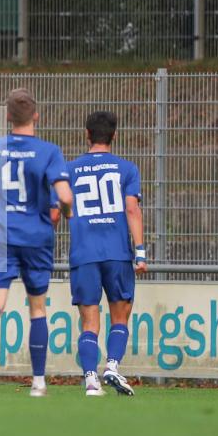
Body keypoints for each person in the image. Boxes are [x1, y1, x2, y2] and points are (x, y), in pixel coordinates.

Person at [0, 88, 73, 397]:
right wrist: (67, 212)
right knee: (37, 309)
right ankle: (38, 383)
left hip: (0, 237)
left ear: (7, 117)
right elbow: (64, 197)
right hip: (36, 237)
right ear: (36, 115)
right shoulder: (48, 151)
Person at [66, 111, 147, 396]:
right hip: (116, 253)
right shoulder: (127, 169)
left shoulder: (69, 170)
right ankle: (112, 365)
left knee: (89, 321)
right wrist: (140, 252)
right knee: (120, 317)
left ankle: (90, 379)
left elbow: (60, 209)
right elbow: (132, 209)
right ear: (114, 136)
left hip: (83, 253)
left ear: (86, 134)